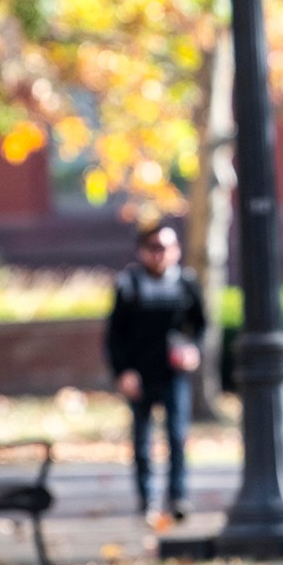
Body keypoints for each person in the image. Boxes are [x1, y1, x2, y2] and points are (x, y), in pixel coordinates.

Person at [106, 221, 205, 525]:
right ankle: (146, 499)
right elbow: (114, 336)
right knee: (142, 441)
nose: (161, 255)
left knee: (177, 437)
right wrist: (123, 372)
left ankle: (177, 497)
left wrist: (191, 349)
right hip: (140, 374)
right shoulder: (130, 286)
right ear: (142, 251)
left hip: (173, 374)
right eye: (154, 248)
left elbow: (200, 324)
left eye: (167, 248)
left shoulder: (185, 283)